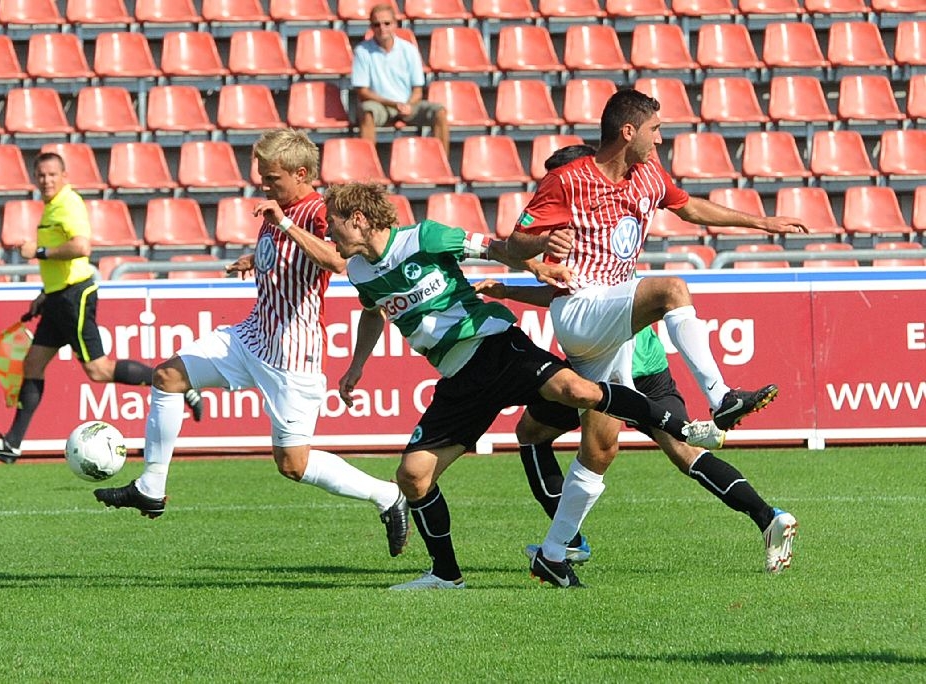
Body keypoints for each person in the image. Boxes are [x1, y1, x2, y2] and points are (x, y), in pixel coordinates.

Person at [323, 180, 724, 590]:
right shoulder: (358, 270)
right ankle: (445, 574)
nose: (327, 233)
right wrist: (357, 367)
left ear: (358, 219)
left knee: (580, 392)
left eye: (331, 223)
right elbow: (372, 312)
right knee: (413, 476)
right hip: (459, 379)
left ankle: (685, 429)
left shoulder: (423, 237)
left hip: (496, 347)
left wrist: (536, 267)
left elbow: (495, 248)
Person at [505, 92, 807, 586]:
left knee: (600, 450)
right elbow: (514, 243)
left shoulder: (648, 176)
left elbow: (691, 210)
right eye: (655, 129)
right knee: (670, 288)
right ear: (629, 131)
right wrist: (540, 246)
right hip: (580, 310)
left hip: (614, 331)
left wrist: (762, 222)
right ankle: (722, 398)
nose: (661, 137)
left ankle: (555, 553)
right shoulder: (568, 179)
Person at [91, 129, 411, 559]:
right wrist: (255, 259)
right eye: (261, 175)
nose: (263, 184)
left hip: (291, 353)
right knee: (168, 375)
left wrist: (283, 222)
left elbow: (337, 261)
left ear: (301, 174)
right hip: (252, 335)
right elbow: (285, 253)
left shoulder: (318, 210)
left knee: (293, 465)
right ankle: (151, 487)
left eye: (272, 177)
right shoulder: (279, 209)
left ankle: (387, 496)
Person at [0, 152, 202, 465]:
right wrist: (45, 294)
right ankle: (12, 444)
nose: (47, 180)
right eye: (41, 175)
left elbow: (82, 247)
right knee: (33, 365)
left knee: (99, 370)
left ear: (64, 176)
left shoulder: (69, 203)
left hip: (74, 297)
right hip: (58, 297)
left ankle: (177, 382)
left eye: (52, 174)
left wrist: (37, 251)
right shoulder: (52, 207)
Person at [351, 4, 449, 156]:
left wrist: (408, 105)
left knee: (439, 112)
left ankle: (443, 164)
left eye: (387, 23)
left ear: (395, 24)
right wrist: (393, 104)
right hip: (380, 106)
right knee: (367, 111)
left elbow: (417, 89)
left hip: (407, 104)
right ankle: (368, 167)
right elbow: (362, 91)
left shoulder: (409, 50)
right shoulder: (362, 51)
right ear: (371, 27)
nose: (382, 28)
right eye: (377, 24)